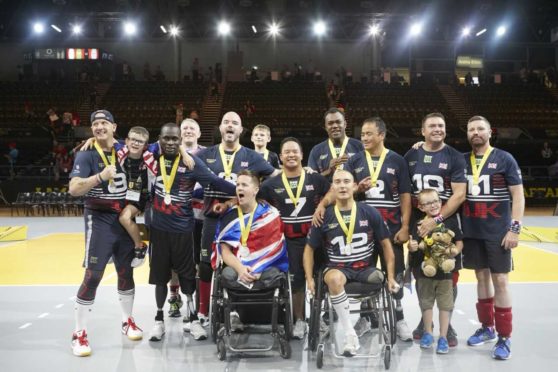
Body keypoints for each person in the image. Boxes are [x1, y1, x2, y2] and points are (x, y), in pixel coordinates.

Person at [148, 123, 236, 343]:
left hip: (183, 228)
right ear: (159, 139)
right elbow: (129, 144)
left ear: (179, 140)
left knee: (188, 275)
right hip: (158, 229)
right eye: (166, 139)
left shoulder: (191, 162)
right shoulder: (150, 159)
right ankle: (159, 321)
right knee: (160, 277)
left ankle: (193, 318)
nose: (170, 143)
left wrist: (243, 191)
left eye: (174, 139)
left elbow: (214, 182)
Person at [194, 112, 281, 331]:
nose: (230, 126)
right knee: (206, 266)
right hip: (213, 219)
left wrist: (302, 172)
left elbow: (275, 177)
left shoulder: (252, 156)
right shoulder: (206, 155)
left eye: (235, 123)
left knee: (244, 262)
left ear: (242, 130)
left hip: (243, 221)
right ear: (220, 128)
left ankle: (235, 311)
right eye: (226, 122)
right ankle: (203, 314)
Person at [68, 110, 143, 357]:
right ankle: (78, 333)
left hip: (123, 219)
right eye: (95, 124)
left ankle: (127, 320)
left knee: (126, 272)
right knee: (93, 275)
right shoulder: (86, 152)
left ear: (114, 126)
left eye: (104, 123)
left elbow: (154, 145)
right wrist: (100, 176)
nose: (100, 127)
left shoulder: (127, 148)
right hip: (98, 219)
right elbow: (74, 189)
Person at [303, 169, 398, 356]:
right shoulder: (324, 216)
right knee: (335, 279)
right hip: (337, 269)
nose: (342, 185)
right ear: (332, 188)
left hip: (366, 269)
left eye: (346, 181)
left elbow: (387, 246)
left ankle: (355, 329)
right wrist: (309, 279)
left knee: (378, 278)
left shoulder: (369, 212)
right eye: (337, 182)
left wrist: (392, 277)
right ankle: (349, 334)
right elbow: (308, 250)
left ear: (355, 186)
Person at [343, 117, 413, 341]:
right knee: (365, 277)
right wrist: (356, 188)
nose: (364, 137)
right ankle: (366, 318)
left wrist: (404, 226)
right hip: (362, 232)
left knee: (396, 274)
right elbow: (341, 190)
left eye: (369, 133)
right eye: (362, 134)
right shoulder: (354, 161)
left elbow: (404, 196)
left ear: (381, 135)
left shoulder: (397, 160)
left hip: (391, 229)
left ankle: (399, 317)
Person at [461, 116, 524, 360]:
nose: (476, 133)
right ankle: (487, 327)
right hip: (472, 231)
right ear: (467, 133)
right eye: (471, 129)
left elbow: (518, 197)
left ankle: (505, 337)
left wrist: (515, 229)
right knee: (481, 277)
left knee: (500, 281)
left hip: (498, 232)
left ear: (490, 132)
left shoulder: (504, 159)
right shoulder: (462, 160)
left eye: (480, 129)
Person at [404, 112, 467, 346]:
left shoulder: (455, 156)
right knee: (421, 274)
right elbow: (404, 190)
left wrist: (437, 219)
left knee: (448, 275)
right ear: (422, 131)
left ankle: (446, 324)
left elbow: (459, 194)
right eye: (432, 126)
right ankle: (425, 321)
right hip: (417, 223)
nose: (437, 129)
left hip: (447, 222)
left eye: (441, 125)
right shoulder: (411, 154)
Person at [258, 137, 330, 339]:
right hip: (289, 241)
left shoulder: (315, 179)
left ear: (301, 155)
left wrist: (323, 205)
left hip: (316, 239)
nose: (291, 155)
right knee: (297, 281)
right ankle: (300, 320)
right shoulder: (271, 184)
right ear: (280, 157)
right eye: (286, 152)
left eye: (294, 151)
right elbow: (257, 201)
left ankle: (320, 319)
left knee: (321, 278)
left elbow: (332, 193)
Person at [408, 189, 464, 354]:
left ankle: (443, 337)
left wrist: (455, 252)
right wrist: (411, 248)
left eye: (435, 201)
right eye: (427, 203)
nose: (433, 205)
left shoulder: (451, 221)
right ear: (421, 207)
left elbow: (459, 241)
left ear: (441, 202)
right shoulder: (418, 224)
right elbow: (414, 245)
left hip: (445, 274)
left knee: (445, 306)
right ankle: (428, 333)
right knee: (426, 304)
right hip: (425, 271)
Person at [214, 170, 289, 290]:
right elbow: (225, 251)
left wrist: (258, 268)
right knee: (228, 275)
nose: (239, 188)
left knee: (272, 275)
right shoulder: (229, 216)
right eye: (238, 185)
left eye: (244, 185)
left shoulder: (270, 214)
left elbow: (275, 248)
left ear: (256, 190)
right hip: (238, 266)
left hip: (265, 266)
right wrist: (240, 269)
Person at [167, 119, 207, 322]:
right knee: (176, 262)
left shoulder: (208, 154)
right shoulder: (169, 151)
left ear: (199, 133)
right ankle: (174, 297)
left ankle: (197, 303)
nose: (189, 131)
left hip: (200, 218)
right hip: (176, 217)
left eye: (193, 128)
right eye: (185, 128)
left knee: (199, 262)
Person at [308, 108, 363, 180]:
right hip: (327, 191)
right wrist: (328, 171)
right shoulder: (316, 150)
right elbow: (311, 181)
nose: (335, 126)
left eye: (338, 122)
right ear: (325, 127)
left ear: (345, 124)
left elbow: (367, 175)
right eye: (330, 123)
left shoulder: (359, 146)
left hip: (353, 191)